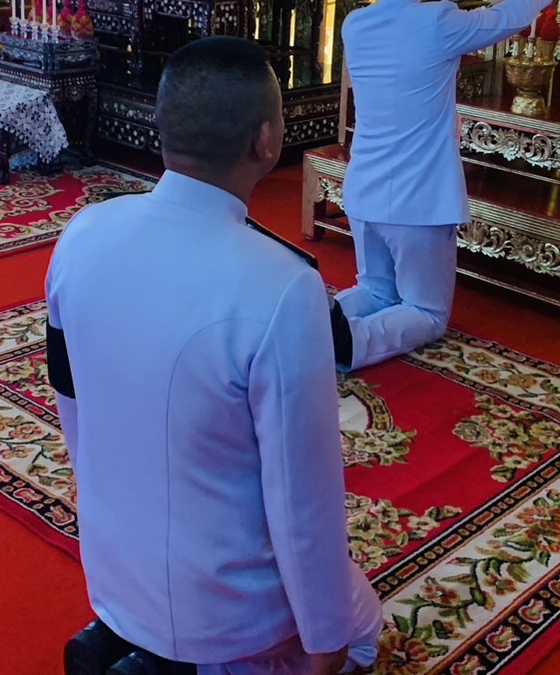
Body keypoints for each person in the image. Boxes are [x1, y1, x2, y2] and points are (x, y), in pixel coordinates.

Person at [48, 37, 381, 675]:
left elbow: (73, 411)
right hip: (223, 606)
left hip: (113, 570)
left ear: (163, 125)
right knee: (362, 636)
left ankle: (136, 644)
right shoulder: (283, 285)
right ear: (266, 140)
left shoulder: (83, 232)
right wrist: (327, 640)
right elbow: (302, 497)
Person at [332, 0, 559, 370]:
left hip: (363, 191)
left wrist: (505, 0)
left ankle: (311, 322)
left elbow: (479, 21)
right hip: (416, 200)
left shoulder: (356, 24)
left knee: (375, 290)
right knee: (426, 311)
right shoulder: (439, 23)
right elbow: (508, 19)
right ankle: (350, 343)